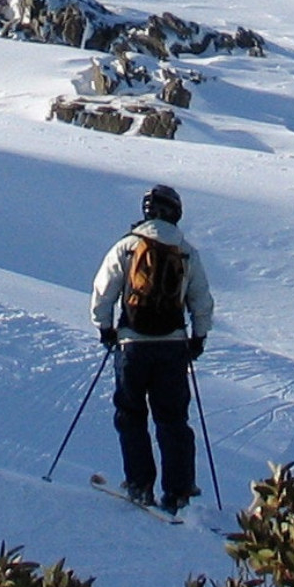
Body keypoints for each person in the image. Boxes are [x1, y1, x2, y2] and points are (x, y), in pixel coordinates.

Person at [87, 183, 215, 511]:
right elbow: (201, 301)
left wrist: (105, 329)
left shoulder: (127, 246)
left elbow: (104, 291)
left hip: (132, 345)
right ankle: (179, 492)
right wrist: (197, 339)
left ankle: (139, 484)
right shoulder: (186, 251)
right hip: (173, 347)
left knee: (131, 415)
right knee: (172, 420)